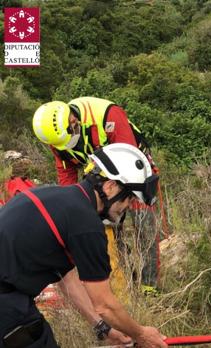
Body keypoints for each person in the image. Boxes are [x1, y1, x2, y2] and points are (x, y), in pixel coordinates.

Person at [0, 143, 167, 348]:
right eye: (130, 197)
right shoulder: (86, 224)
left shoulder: (58, 198)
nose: (128, 207)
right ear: (110, 186)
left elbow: (67, 279)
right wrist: (141, 334)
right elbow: (105, 305)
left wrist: (102, 328)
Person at [32, 97, 161, 290]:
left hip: (136, 169)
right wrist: (75, 207)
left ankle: (150, 286)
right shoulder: (57, 140)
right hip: (103, 180)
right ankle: (125, 283)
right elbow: (66, 174)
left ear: (73, 118)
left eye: (72, 126)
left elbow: (128, 153)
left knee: (144, 223)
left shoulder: (107, 115)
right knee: (107, 230)